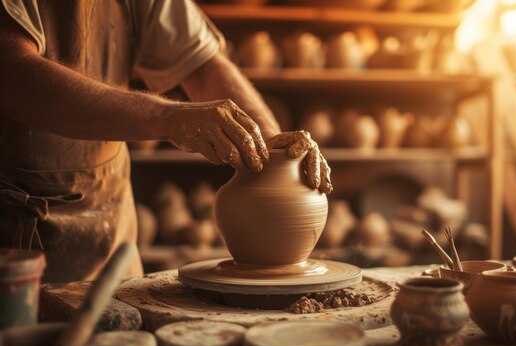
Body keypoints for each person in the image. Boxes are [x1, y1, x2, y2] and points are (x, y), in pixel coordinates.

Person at [0, 0, 332, 283]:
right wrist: (169, 118)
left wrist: (268, 141)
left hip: (111, 220)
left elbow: (202, 65)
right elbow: (12, 72)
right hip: (19, 231)